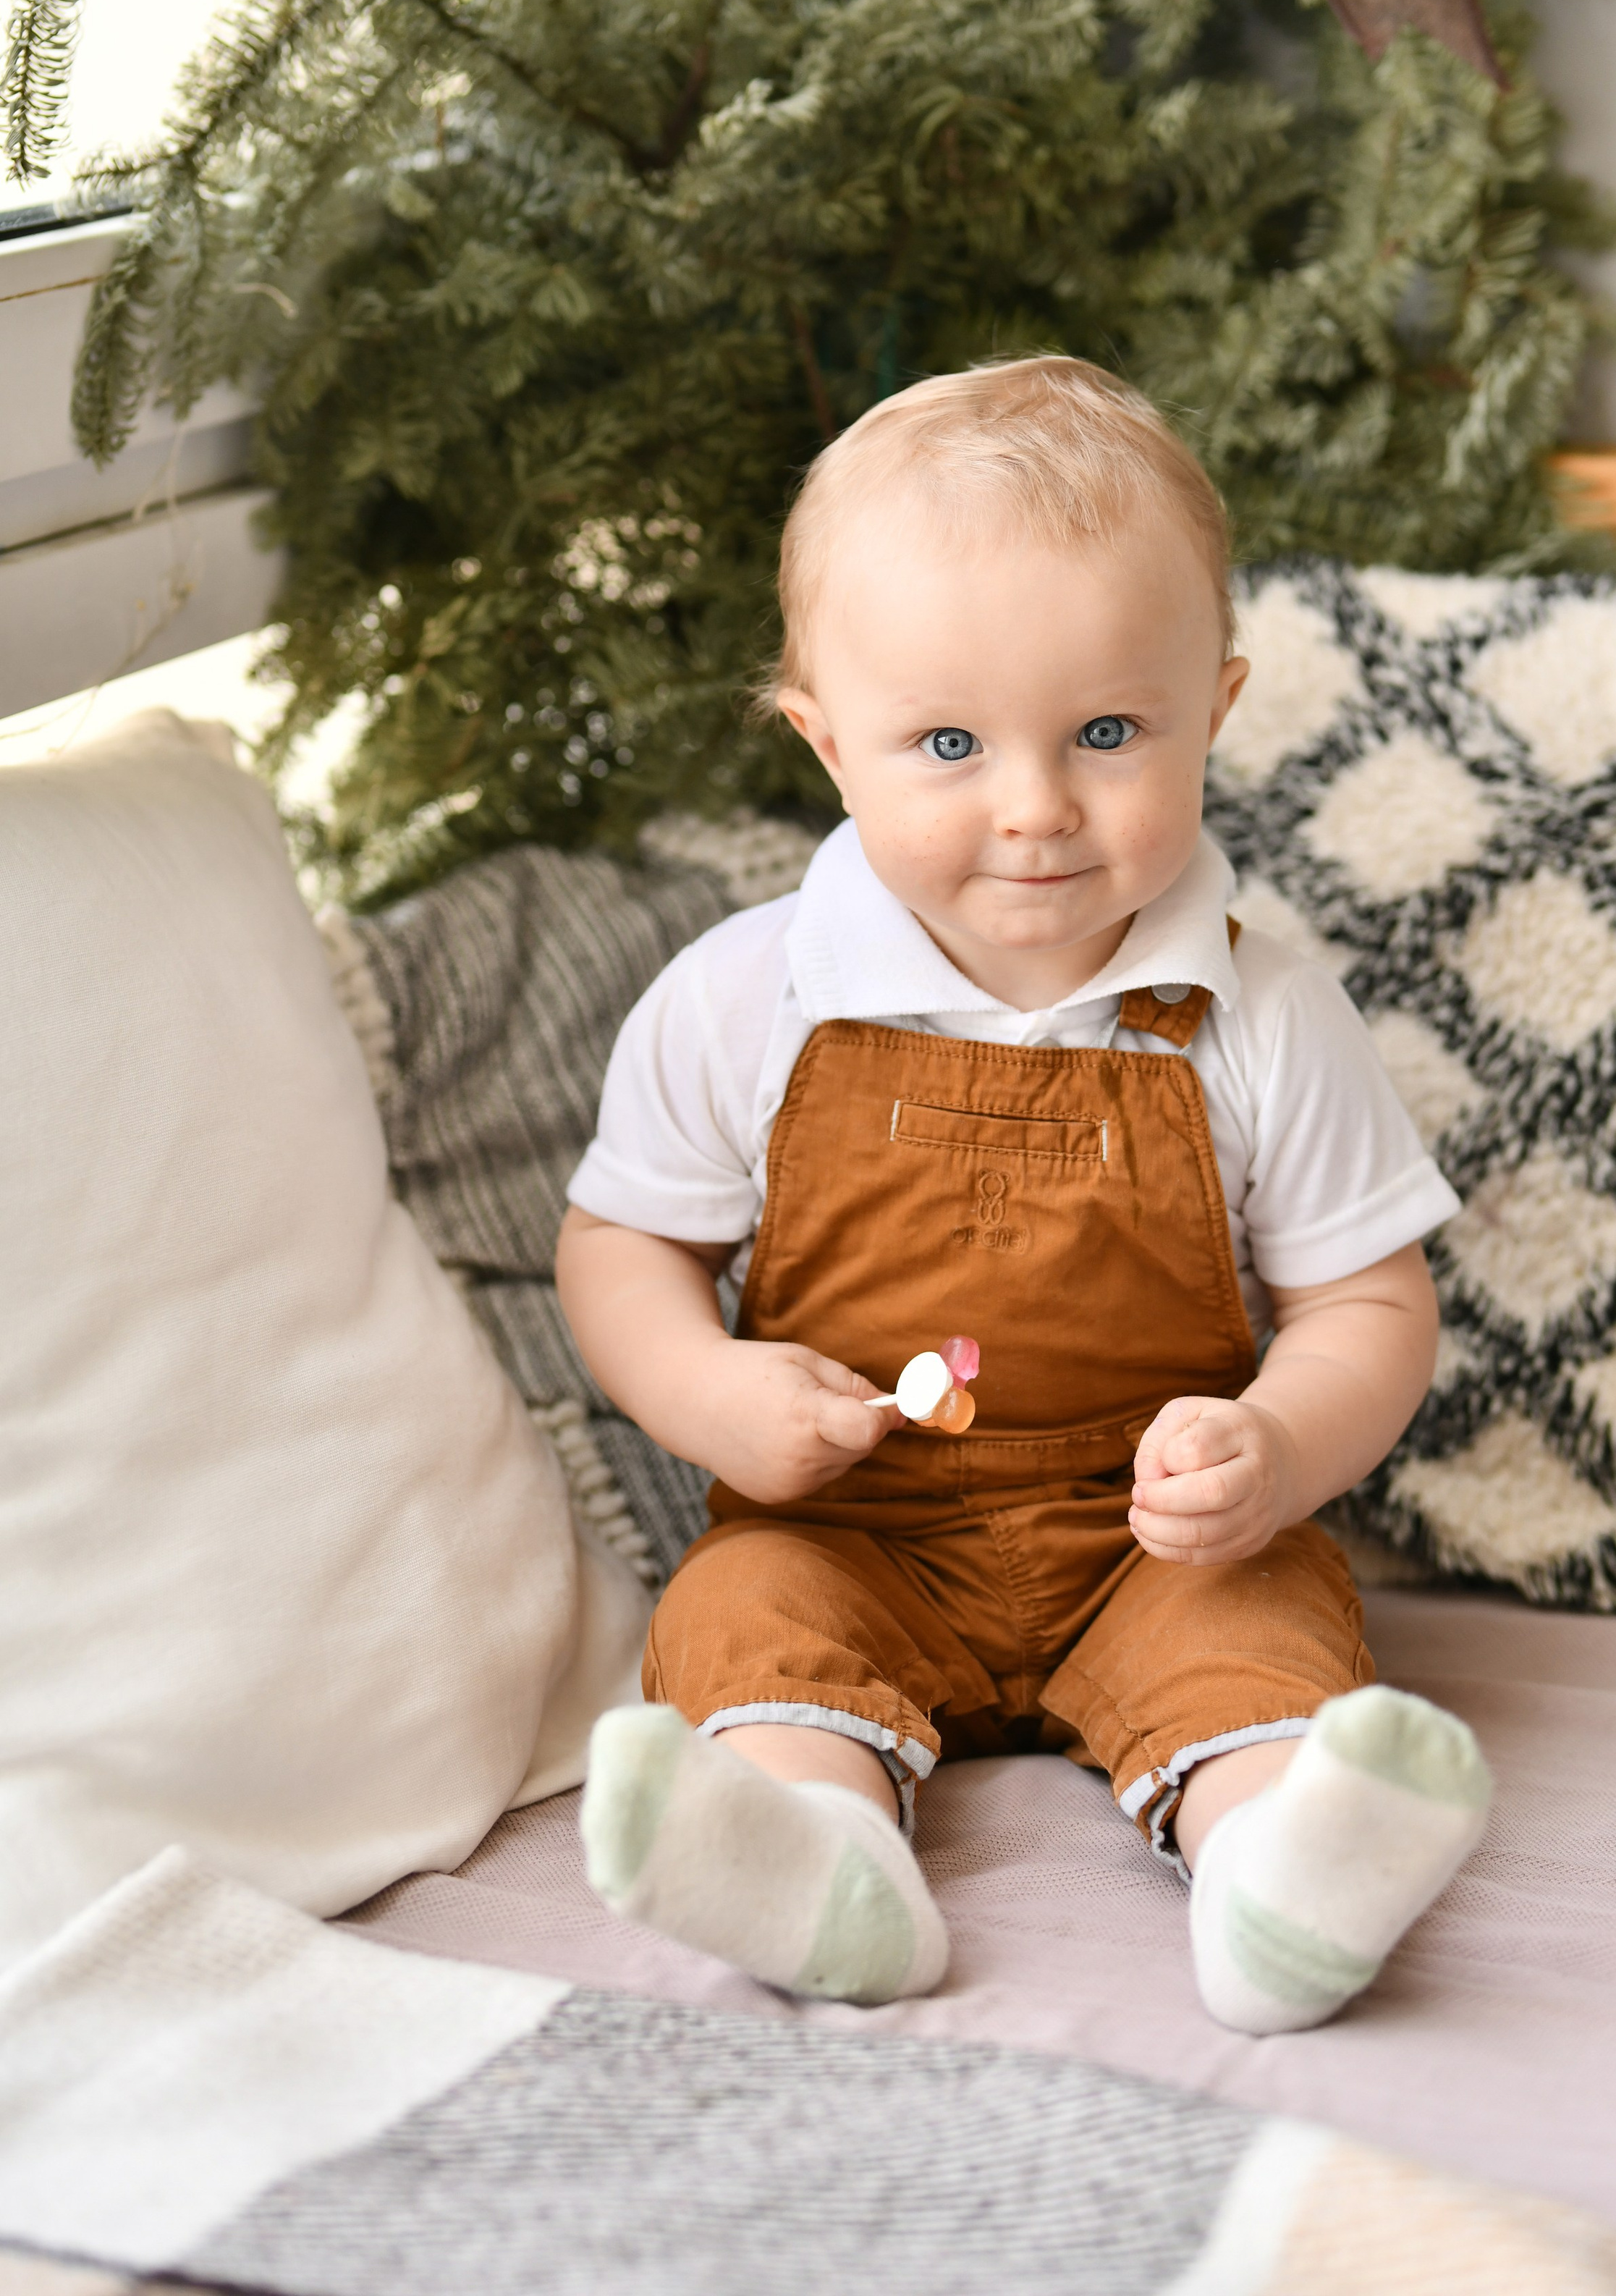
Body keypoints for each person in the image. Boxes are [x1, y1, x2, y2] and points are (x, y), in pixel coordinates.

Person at [557, 355, 1491, 2032]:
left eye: (1108, 733)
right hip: (850, 1527)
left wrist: (1271, 1452)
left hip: (1150, 1535)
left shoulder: (1257, 1014)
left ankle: (1281, 1878)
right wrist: (706, 1391)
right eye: (945, 743)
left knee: (1261, 1628)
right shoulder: (741, 999)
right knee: (743, 1616)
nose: (1036, 808)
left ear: (1212, 705)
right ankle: (822, 1869)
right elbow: (623, 1248)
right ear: (822, 742)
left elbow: (1369, 1304)